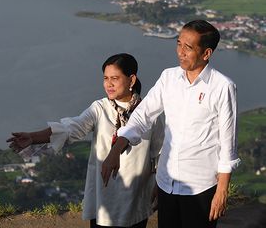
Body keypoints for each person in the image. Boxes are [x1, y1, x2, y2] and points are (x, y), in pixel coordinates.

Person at [102, 20, 240, 228]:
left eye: (188, 47)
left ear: (206, 53)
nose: (180, 52)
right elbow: (142, 115)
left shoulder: (222, 87)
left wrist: (221, 191)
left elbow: (228, 143)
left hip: (200, 187)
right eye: (178, 44)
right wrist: (116, 149)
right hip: (167, 184)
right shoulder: (169, 77)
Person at [7, 53, 164, 228]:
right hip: (104, 196)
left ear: (131, 79)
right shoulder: (100, 108)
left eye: (115, 78)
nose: (108, 84)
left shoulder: (149, 113)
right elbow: (70, 128)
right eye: (105, 78)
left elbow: (160, 153)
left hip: (136, 196)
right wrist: (33, 137)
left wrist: (159, 185)